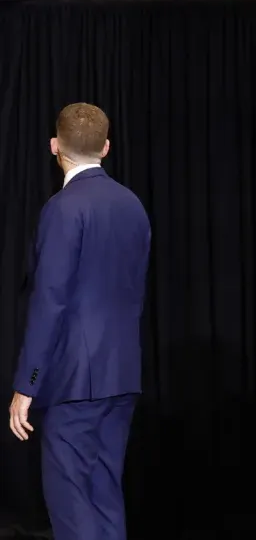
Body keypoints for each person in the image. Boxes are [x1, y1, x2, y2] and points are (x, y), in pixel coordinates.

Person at [7, 104, 149, 540]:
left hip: (73, 382)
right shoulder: (133, 205)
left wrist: (26, 385)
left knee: (72, 505)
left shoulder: (63, 208)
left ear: (55, 146)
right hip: (122, 375)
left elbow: (50, 302)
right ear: (106, 148)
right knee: (105, 495)